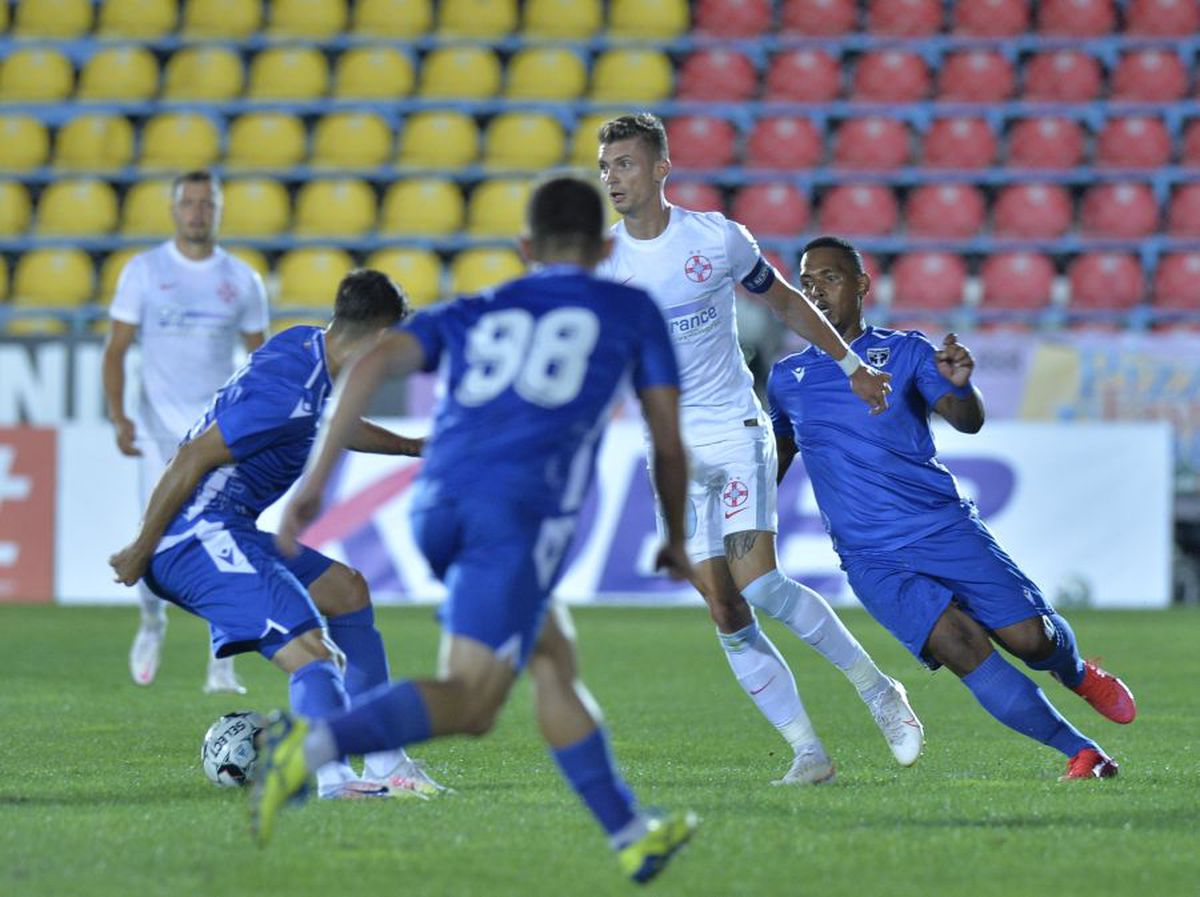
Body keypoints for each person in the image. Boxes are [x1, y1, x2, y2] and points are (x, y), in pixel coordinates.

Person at [254, 176, 697, 884]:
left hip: (438, 505)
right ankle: (308, 747)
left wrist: (314, 485)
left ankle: (631, 832)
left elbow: (370, 361)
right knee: (474, 700)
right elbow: (669, 443)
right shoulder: (628, 307)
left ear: (525, 248)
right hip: (514, 513)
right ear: (606, 245)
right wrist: (675, 535)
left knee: (552, 653)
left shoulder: (479, 305)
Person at [595, 113, 923, 784]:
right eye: (604, 167)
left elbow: (788, 303)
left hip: (732, 426)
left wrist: (852, 363)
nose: (611, 178)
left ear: (661, 168)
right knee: (723, 605)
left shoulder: (715, 239)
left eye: (624, 164)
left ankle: (879, 689)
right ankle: (809, 751)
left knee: (763, 584)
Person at [768, 236, 1136, 781]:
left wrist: (963, 387)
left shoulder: (907, 352)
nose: (816, 289)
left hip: (943, 527)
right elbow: (776, 456)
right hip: (872, 558)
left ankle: (1077, 672)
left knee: (1030, 640)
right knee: (963, 649)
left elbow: (966, 419)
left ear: (863, 286)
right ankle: (1083, 752)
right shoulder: (786, 378)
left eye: (830, 276)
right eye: (807, 280)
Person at [109, 269, 442, 800]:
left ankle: (384, 761)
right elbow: (193, 456)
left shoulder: (303, 345)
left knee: (348, 592)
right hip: (195, 537)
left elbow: (326, 422)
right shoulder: (287, 394)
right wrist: (141, 550)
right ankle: (334, 783)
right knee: (314, 655)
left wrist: (408, 447)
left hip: (228, 526)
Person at [103, 169, 268, 694]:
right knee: (152, 540)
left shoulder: (242, 279)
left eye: (207, 203)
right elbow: (116, 348)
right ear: (175, 210)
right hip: (158, 433)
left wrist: (259, 422)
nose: (197, 212)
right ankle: (152, 622)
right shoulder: (145, 271)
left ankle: (223, 660)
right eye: (189, 203)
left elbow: (259, 360)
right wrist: (119, 415)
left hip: (219, 434)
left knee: (226, 539)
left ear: (219, 210)